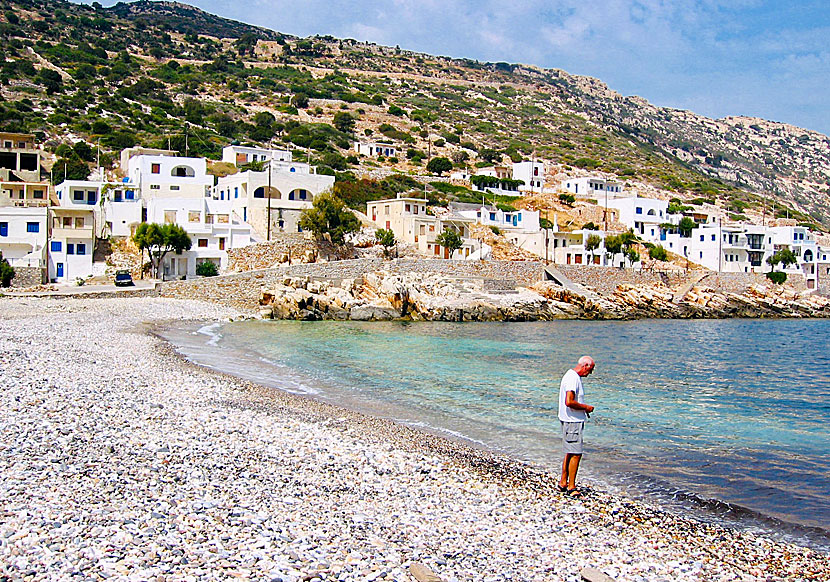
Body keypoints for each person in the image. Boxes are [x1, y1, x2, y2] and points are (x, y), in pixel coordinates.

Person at [558, 355, 595, 497]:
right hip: (572, 421)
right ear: (585, 366)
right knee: (576, 454)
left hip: (570, 420)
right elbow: (569, 401)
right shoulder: (573, 378)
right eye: (590, 370)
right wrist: (585, 407)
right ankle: (571, 487)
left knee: (570, 451)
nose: (590, 373)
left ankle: (563, 482)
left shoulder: (570, 376)